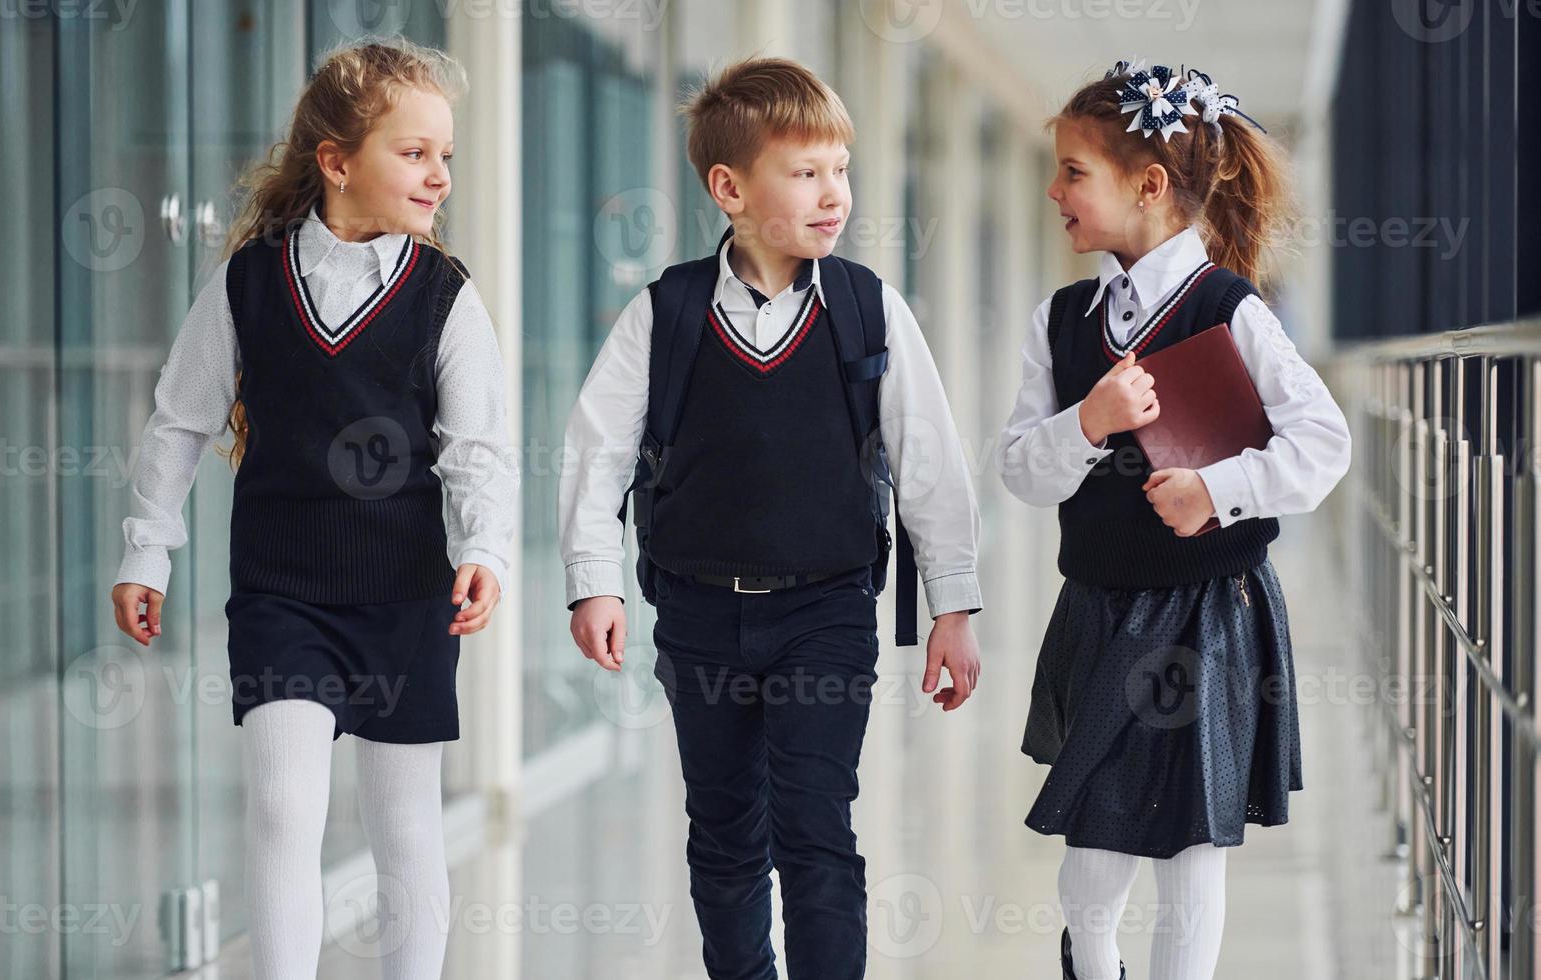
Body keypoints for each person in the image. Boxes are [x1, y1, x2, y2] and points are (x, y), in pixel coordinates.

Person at [559, 56, 983, 980]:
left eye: (840, 170)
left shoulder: (868, 311)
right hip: (699, 616)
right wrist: (592, 582)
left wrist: (953, 606)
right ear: (730, 188)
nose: (835, 194)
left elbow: (930, 467)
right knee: (722, 835)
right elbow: (595, 456)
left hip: (826, 612)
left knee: (816, 826)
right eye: (805, 173)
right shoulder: (664, 313)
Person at [108, 38, 516, 980]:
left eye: (445, 155)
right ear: (336, 162)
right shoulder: (248, 284)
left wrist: (486, 548)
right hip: (282, 593)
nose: (439, 176)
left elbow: (480, 450)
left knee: (404, 825)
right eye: (414, 153)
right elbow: (179, 421)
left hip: (409, 597)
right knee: (285, 811)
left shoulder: (447, 298)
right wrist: (146, 553)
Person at [998, 60, 1352, 980]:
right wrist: (1089, 424)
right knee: (1090, 872)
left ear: (1148, 185)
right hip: (1099, 610)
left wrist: (1219, 490)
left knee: (1191, 858)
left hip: (1209, 610)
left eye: (1074, 170)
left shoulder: (1232, 311)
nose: (1055, 189)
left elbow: (1325, 444)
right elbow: (1021, 473)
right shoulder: (1060, 322)